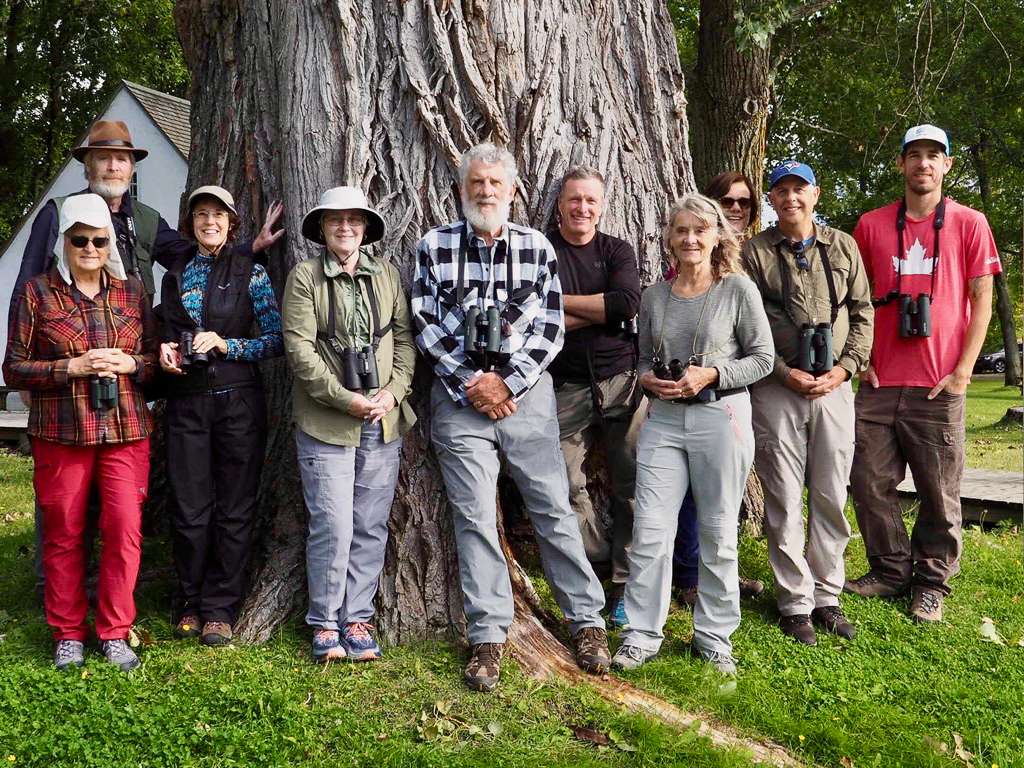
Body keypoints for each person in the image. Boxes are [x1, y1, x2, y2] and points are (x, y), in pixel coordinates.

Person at [12, 120, 283, 592]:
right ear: (88, 163)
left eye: (123, 158)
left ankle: (111, 586)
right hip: (69, 366)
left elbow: (195, 259)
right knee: (65, 490)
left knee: (117, 481)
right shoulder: (58, 213)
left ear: (132, 166)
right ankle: (54, 585)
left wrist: (247, 251)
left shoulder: (147, 217)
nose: (114, 165)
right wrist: (35, 377)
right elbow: (26, 288)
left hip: (130, 366)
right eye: (104, 157)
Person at [412, 143, 610, 691]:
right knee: (473, 516)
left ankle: (586, 621)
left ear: (513, 190)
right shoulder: (435, 245)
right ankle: (489, 635)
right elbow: (426, 323)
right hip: (459, 399)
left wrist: (507, 381)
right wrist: (472, 383)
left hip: (526, 396)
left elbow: (549, 326)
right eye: (477, 183)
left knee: (552, 505)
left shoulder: (536, 247)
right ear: (462, 189)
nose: (486, 192)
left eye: (496, 184)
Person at [611, 193, 773, 674]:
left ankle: (715, 636)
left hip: (719, 418)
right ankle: (641, 634)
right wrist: (646, 379)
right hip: (662, 420)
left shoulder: (738, 289)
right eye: (682, 230)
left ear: (718, 235)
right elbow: (641, 361)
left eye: (701, 230)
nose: (691, 239)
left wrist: (712, 374)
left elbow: (762, 359)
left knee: (719, 532)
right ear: (669, 237)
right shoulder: (654, 295)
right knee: (650, 531)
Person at [846, 125, 1000, 623]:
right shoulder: (869, 225)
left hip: (939, 382)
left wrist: (964, 371)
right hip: (878, 381)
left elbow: (982, 299)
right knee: (869, 484)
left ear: (947, 165)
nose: (924, 164)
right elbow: (855, 298)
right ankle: (890, 571)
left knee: (939, 490)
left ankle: (930, 582)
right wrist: (860, 357)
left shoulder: (970, 222)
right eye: (914, 155)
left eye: (934, 155)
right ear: (901, 164)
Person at [3, 194, 158, 672]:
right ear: (65, 244)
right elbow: (13, 369)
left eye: (98, 239)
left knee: (125, 532)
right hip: (60, 432)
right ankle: (67, 632)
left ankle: (114, 631)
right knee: (64, 533)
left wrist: (131, 362)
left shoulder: (132, 291)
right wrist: (71, 366)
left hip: (126, 430)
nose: (90, 247)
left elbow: (154, 363)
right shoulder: (37, 292)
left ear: (110, 242)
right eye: (79, 240)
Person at [742, 161, 873, 645]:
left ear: (815, 195)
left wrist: (845, 369)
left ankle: (828, 595)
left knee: (831, 493)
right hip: (778, 387)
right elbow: (747, 324)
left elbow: (863, 313)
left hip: (835, 387)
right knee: (782, 494)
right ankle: (794, 601)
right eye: (782, 191)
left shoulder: (843, 246)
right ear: (771, 200)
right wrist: (783, 371)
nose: (791, 198)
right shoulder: (754, 252)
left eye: (800, 189)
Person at [283, 186, 416, 662]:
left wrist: (392, 393)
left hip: (382, 421)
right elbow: (299, 352)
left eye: (354, 220)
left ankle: (357, 616)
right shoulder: (303, 277)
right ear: (321, 228)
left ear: (365, 228)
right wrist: (346, 399)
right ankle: (324, 620)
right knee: (333, 525)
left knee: (370, 524)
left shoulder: (387, 276)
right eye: (335, 220)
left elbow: (404, 340)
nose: (345, 227)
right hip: (325, 422)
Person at [158, 186, 284, 646]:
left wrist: (229, 345)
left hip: (239, 401)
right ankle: (190, 602)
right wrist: (167, 351)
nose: (209, 221)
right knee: (190, 509)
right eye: (200, 214)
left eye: (217, 214)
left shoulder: (251, 270)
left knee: (235, 508)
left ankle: (220, 608)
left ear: (231, 222)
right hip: (186, 401)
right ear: (190, 223)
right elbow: (167, 331)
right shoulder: (176, 272)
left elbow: (275, 340)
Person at [546, 166, 642, 629]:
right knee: (564, 487)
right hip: (561, 384)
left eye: (590, 200)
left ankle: (625, 583)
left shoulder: (616, 249)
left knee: (633, 487)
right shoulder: (542, 250)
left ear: (601, 206)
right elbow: (530, 310)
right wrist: (600, 309)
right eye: (573, 199)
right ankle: (598, 562)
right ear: (560, 204)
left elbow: (627, 304)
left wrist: (559, 302)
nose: (582, 208)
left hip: (620, 381)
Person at [672, 171, 766, 608]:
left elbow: (761, 342)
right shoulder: (686, 265)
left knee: (725, 491)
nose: (734, 207)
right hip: (698, 397)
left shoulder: (758, 256)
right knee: (693, 490)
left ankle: (718, 581)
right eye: (725, 200)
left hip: (751, 383)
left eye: (743, 202)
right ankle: (691, 575)